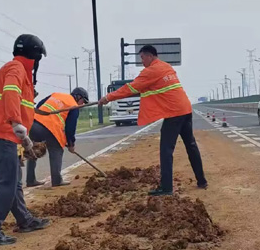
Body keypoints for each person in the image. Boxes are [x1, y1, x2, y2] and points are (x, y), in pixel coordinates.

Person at [98, 45, 207, 196]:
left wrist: (108, 97)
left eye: (142, 58)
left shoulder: (152, 71)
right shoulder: (166, 67)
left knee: (166, 150)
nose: (142, 62)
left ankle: (166, 188)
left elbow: (131, 88)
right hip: (185, 109)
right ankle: (202, 181)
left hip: (174, 112)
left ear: (149, 56)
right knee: (191, 145)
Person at [0, 34, 51, 246]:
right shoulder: (16, 69)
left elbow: (18, 100)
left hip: (5, 135)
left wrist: (23, 136)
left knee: (14, 181)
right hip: (1, 134)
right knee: (7, 184)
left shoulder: (20, 71)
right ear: (34, 56)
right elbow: (10, 94)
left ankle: (24, 220)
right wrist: (16, 122)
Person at [26, 87, 90, 187]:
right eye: (83, 101)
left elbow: (39, 106)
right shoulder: (73, 106)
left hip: (34, 124)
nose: (82, 104)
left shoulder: (56, 95)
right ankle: (56, 180)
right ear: (78, 97)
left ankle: (30, 180)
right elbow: (70, 128)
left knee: (33, 150)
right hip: (50, 128)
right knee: (56, 149)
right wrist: (71, 144)